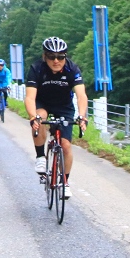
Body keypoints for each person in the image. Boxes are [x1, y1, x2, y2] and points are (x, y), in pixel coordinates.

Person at [24, 36, 88, 194]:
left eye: (60, 57)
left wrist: (82, 116)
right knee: (40, 117)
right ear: (45, 56)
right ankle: (40, 157)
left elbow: (81, 95)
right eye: (51, 57)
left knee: (66, 146)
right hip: (42, 103)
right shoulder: (37, 68)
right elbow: (30, 97)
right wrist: (33, 117)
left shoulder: (72, 69)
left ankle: (65, 182)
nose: (56, 61)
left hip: (63, 106)